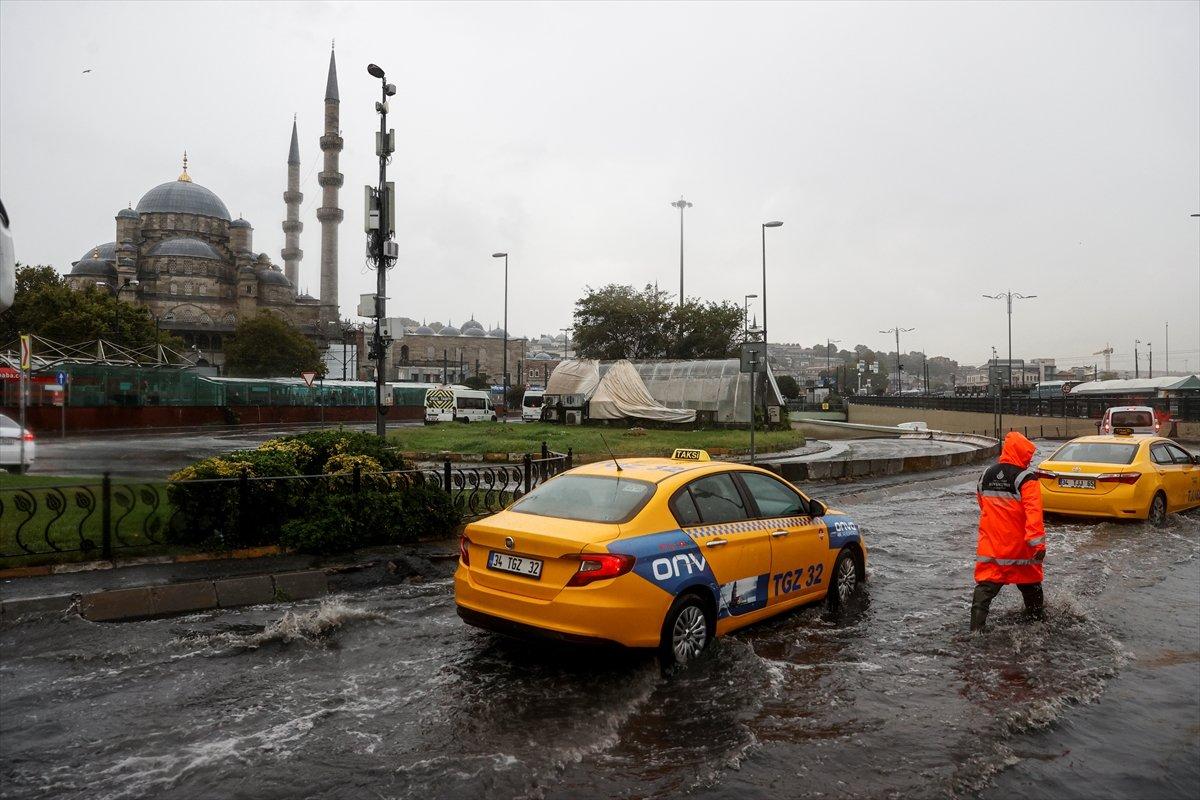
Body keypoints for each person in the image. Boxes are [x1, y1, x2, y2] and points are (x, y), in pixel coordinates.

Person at [971, 431, 1046, 633]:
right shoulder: (1026, 478)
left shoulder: (986, 474)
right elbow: (1033, 513)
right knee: (1032, 589)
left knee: (984, 592)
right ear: (1022, 453)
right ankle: (1037, 626)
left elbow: (983, 505)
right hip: (1020, 549)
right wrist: (1038, 544)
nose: (1029, 460)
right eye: (1028, 456)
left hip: (992, 547)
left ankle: (975, 632)